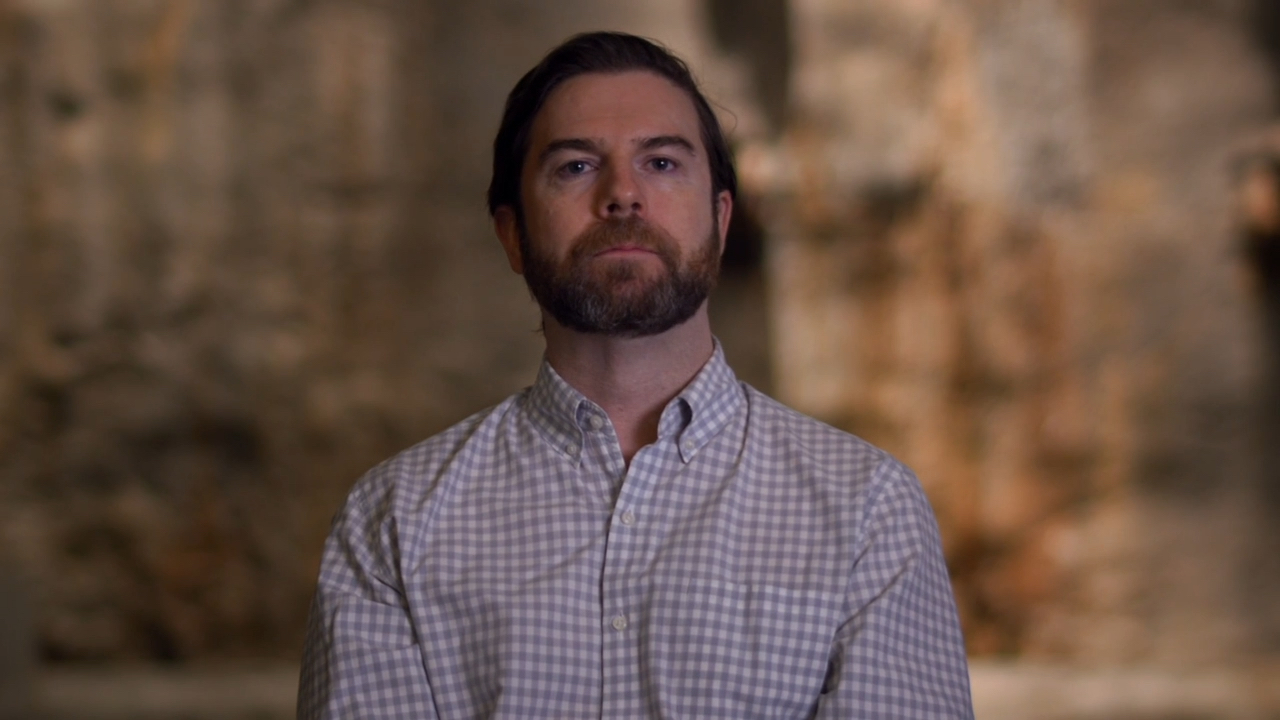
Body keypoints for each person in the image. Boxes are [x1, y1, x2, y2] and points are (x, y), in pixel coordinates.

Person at [297, 31, 974, 719]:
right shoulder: (393, 521)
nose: (623, 195)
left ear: (720, 218)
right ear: (512, 235)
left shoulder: (865, 510)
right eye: (575, 168)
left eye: (661, 162)